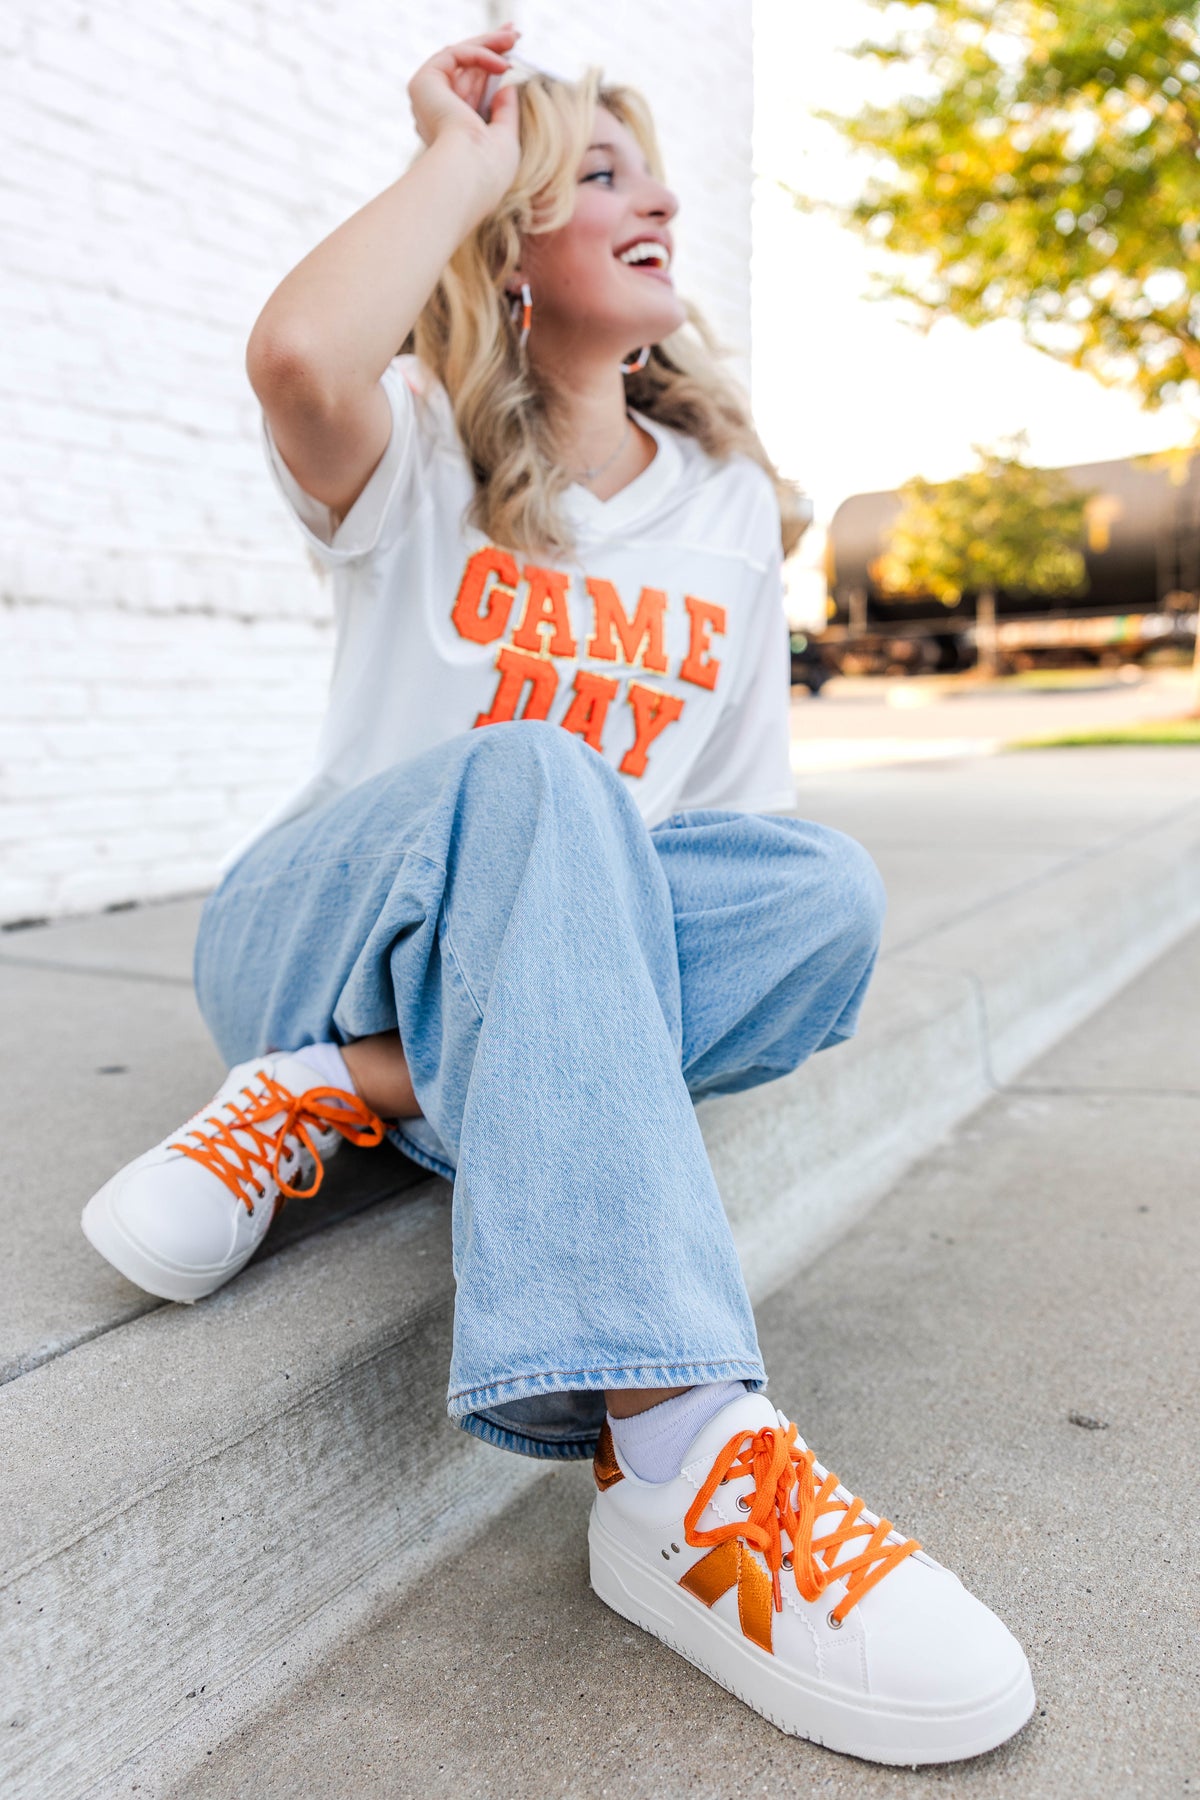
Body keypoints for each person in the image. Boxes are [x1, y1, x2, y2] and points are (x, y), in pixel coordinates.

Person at [79, 25, 1034, 1765]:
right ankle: (674, 1462)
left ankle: (348, 1109)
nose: (657, 193)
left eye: (652, 168)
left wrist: (637, 924)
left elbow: (733, 833)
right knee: (541, 769)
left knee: (821, 894)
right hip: (317, 930)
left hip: (531, 971)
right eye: (597, 174)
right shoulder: (423, 453)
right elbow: (297, 348)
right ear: (511, 244)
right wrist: (455, 151)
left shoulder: (731, 503)